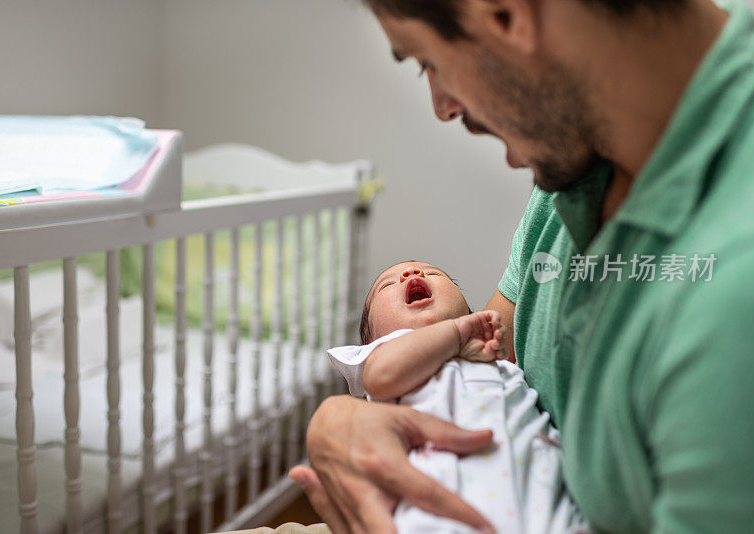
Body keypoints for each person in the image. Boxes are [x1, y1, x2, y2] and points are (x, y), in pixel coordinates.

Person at [289, 0, 754, 533]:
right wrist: (342, 419)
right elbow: (481, 344)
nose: (442, 105)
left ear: (506, 14)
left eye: (426, 61)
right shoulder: (582, 153)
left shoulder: (732, 297)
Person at [327, 260, 589, 534]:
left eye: (435, 274)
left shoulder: (495, 357)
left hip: (538, 495)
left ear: (468, 311)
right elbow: (379, 378)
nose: (412, 273)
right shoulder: (386, 354)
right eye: (387, 285)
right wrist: (456, 333)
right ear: (372, 339)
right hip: (444, 504)